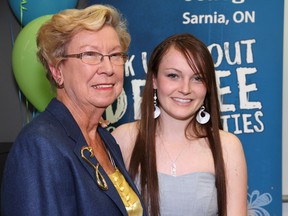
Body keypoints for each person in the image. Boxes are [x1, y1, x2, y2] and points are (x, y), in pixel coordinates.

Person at [1, 4, 146, 216]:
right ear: (57, 70)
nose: (107, 68)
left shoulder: (106, 140)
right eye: (90, 54)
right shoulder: (40, 146)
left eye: (115, 55)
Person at [112, 33, 247, 216]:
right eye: (173, 76)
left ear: (208, 86)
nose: (185, 89)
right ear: (154, 80)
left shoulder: (227, 147)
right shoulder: (124, 138)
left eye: (198, 78)